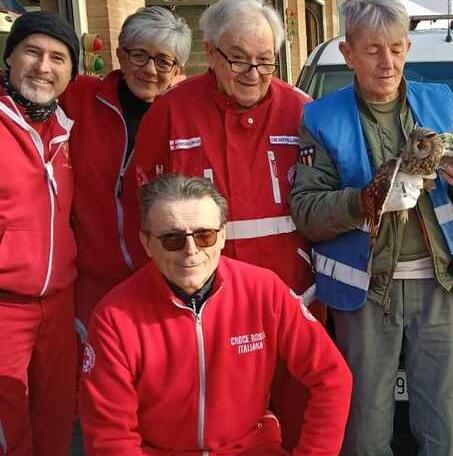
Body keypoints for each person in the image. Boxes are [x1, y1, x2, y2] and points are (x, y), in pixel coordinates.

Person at [289, 0, 453, 453]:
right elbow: (306, 211)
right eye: (374, 50)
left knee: (445, 414)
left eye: (397, 49)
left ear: (408, 47)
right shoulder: (322, 118)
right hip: (365, 289)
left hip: (438, 284)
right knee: (366, 416)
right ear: (348, 52)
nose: (388, 62)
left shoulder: (439, 104)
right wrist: (367, 201)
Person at [125, 0, 320, 449]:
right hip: (201, 309)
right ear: (211, 54)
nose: (253, 72)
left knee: (295, 421)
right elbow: (144, 209)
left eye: (265, 60)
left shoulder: (304, 112)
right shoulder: (171, 112)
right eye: (238, 59)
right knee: (215, 427)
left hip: (295, 302)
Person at [79, 174, 352, 455]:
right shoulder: (114, 317)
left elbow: (332, 376)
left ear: (222, 236)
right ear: (146, 243)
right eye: (172, 239)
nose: (191, 250)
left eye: (204, 235)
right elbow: (110, 436)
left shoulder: (263, 291)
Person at [60, 6, 192, 327]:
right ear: (120, 54)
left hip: (159, 282)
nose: (149, 69)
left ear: (177, 70)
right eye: (138, 55)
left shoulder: (186, 118)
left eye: (163, 61)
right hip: (86, 281)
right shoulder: (80, 98)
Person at [0, 11, 79, 456]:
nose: (43, 67)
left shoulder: (65, 130)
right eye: (32, 52)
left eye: (58, 58)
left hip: (58, 303)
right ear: (10, 57)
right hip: (5, 305)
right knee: (8, 426)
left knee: (56, 419)